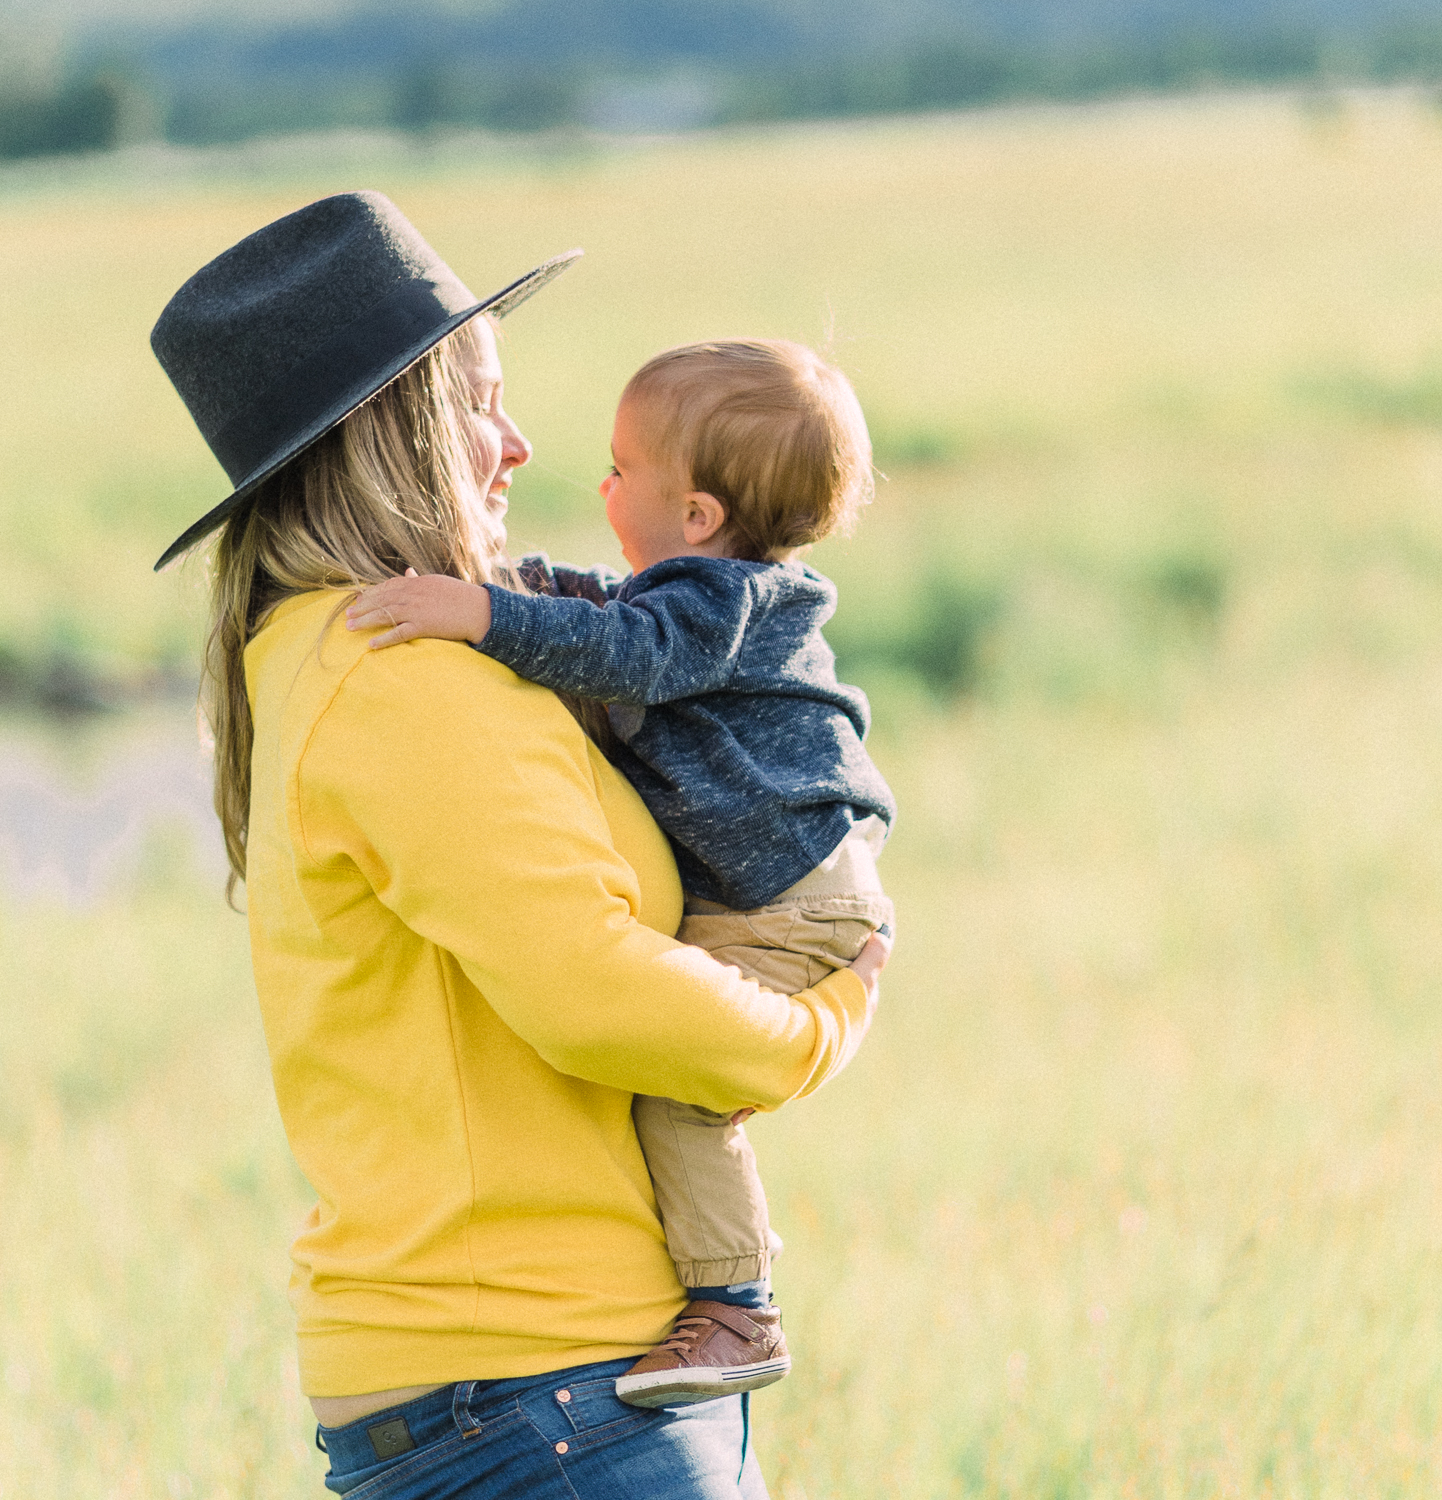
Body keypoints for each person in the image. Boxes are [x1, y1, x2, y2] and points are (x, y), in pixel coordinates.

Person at [149, 191, 889, 1500]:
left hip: (518, 1382)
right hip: (541, 1385)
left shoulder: (324, 651)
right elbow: (592, 996)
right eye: (478, 403)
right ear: (398, 436)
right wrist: (819, 1021)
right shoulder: (404, 676)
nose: (516, 444)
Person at [348, 338, 896, 1410]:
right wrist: (516, 585)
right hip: (796, 879)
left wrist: (486, 615)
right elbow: (616, 611)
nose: (595, 483)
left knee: (682, 1088)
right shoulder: (714, 589)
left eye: (617, 469)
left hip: (786, 896)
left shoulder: (715, 605)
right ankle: (729, 1294)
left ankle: (736, 1302)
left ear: (695, 516)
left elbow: (626, 649)